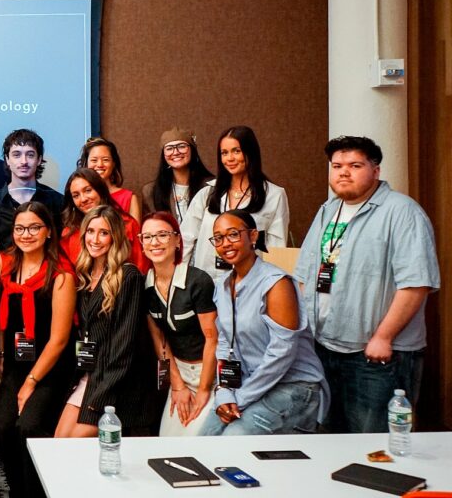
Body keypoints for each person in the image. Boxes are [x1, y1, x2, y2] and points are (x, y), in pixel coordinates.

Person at [294, 136, 439, 434]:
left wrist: (383, 337)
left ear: (376, 170)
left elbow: (416, 284)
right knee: (332, 440)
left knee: (374, 446)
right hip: (326, 347)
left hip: (376, 356)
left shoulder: (402, 212)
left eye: (355, 165)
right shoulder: (328, 210)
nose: (343, 172)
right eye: (337, 166)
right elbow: (306, 275)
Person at [201, 210, 328, 436]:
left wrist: (241, 398)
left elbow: (282, 354)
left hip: (294, 386)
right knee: (205, 438)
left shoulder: (276, 284)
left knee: (234, 438)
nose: (225, 243)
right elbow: (224, 343)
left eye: (232, 234)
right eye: (218, 238)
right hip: (249, 386)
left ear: (252, 236)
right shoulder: (222, 285)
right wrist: (224, 392)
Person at [54, 206, 160, 438]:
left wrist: (102, 393)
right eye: (90, 231)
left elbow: (125, 344)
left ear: (115, 237)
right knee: (59, 442)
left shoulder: (128, 275)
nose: (95, 239)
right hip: (90, 374)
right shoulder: (84, 275)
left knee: (75, 441)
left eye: (104, 232)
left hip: (116, 382)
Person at [0, 202, 74, 498]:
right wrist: (1, 356)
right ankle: (18, 490)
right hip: (14, 362)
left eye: (34, 227)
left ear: (49, 232)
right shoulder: (3, 263)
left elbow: (59, 340)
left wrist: (31, 382)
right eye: (20, 228)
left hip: (49, 368)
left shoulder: (61, 275)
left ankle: (36, 492)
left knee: (29, 426)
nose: (26, 234)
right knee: (1, 429)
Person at [140, 211, 218, 436]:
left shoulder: (198, 281)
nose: (154, 242)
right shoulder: (146, 285)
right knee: (168, 440)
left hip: (209, 374)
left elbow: (213, 338)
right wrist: (177, 385)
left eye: (162, 235)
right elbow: (159, 339)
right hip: (180, 373)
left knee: (195, 439)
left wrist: (204, 390)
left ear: (177, 240)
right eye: (147, 237)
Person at [182, 125, 290, 281]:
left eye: (236, 151)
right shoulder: (207, 194)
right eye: (224, 153)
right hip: (207, 284)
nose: (229, 158)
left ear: (250, 153)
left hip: (251, 285)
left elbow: (276, 249)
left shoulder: (274, 195)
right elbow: (185, 241)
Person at [0, 129, 64, 263]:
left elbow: (63, 250)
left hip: (50, 278)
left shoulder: (57, 201)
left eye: (30, 155)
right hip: (6, 279)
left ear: (39, 159)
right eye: (16, 155)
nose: (24, 161)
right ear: (7, 159)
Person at [60, 168, 147, 273]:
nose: (83, 199)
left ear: (100, 190)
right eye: (76, 195)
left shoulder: (127, 225)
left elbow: (141, 267)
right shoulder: (69, 233)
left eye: (88, 190)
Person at [140, 128, 214, 224]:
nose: (175, 152)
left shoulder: (211, 186)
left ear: (193, 150)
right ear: (163, 155)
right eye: (169, 148)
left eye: (182, 146)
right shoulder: (150, 191)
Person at [78, 137, 141, 221]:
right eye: (94, 160)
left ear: (114, 163)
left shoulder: (128, 198)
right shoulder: (80, 198)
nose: (100, 164)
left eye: (105, 160)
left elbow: (134, 231)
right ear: (86, 163)